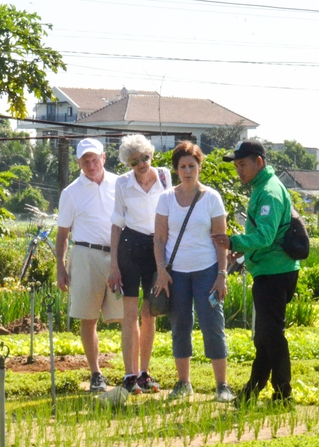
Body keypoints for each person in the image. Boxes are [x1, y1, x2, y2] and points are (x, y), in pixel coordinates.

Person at [212, 139, 301, 405]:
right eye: (236, 165)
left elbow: (265, 235)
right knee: (265, 335)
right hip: (269, 270)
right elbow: (262, 235)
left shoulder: (269, 192)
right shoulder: (262, 187)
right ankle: (252, 391)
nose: (238, 170)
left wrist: (234, 242)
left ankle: (283, 393)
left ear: (258, 162)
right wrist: (244, 249)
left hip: (275, 272)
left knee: (271, 336)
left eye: (242, 164)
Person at [153, 141, 235, 402]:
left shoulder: (211, 197)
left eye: (192, 165)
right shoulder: (166, 198)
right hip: (176, 273)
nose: (188, 171)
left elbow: (220, 239)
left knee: (213, 325)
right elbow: (159, 238)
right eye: (182, 166)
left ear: (200, 167)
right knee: (180, 326)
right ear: (176, 170)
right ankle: (183, 382)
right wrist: (161, 272)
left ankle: (222, 385)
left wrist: (221, 275)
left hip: (206, 271)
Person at [56, 138, 121, 393]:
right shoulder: (71, 192)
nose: (91, 165)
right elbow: (62, 233)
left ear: (104, 158)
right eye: (85, 161)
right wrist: (61, 268)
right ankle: (96, 373)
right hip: (85, 254)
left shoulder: (120, 183)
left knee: (127, 316)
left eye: (95, 159)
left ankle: (134, 373)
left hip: (118, 256)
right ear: (79, 163)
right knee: (88, 318)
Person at [108, 134, 172, 394]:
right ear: (129, 165)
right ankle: (129, 375)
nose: (142, 164)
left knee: (150, 313)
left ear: (151, 156)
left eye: (145, 158)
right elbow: (116, 223)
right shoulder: (122, 184)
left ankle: (145, 373)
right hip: (130, 249)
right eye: (135, 162)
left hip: (156, 249)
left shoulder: (166, 176)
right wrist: (113, 264)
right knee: (130, 314)